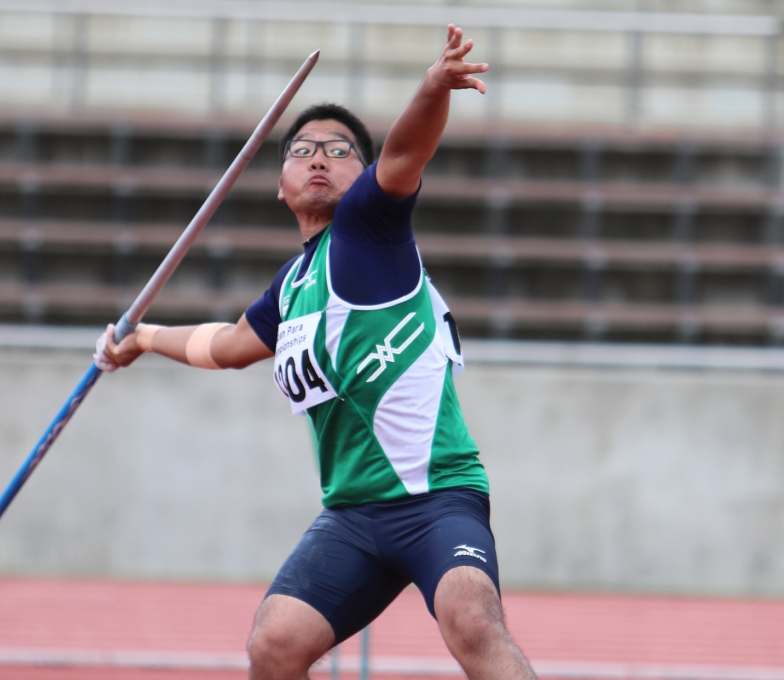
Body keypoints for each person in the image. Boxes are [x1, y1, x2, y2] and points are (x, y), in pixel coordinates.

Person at [95, 25, 536, 680]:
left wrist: (431, 88)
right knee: (275, 643)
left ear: (362, 176)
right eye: (303, 151)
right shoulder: (294, 286)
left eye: (340, 149)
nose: (320, 158)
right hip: (353, 516)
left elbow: (408, 152)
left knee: (472, 621)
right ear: (281, 185)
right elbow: (232, 343)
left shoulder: (368, 230)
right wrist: (143, 339)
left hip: (436, 499)